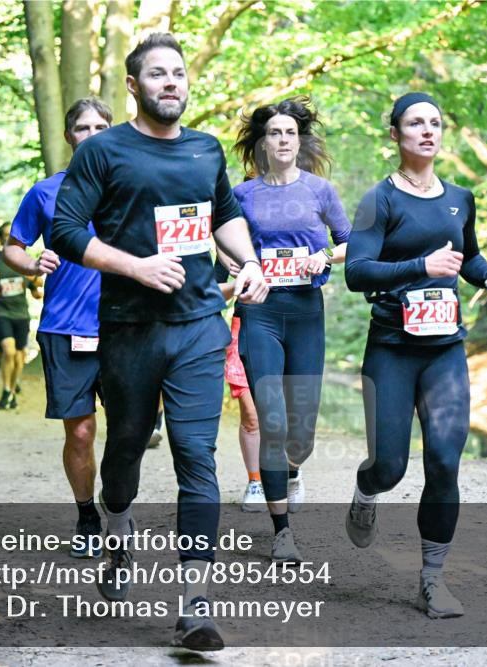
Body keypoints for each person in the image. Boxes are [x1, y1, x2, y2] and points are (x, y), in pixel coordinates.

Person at [51, 33, 268, 651]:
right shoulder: (105, 152)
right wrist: (134, 266)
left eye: (177, 73)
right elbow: (66, 230)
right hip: (127, 330)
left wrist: (247, 262)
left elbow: (223, 213)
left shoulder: (204, 151)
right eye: (157, 74)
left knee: (196, 456)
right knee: (123, 454)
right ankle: (116, 532)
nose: (171, 82)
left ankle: (194, 604)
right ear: (133, 86)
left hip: (200, 324)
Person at [344, 92, 487, 619]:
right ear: (394, 135)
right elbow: (356, 272)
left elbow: (466, 253)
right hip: (393, 348)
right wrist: (421, 265)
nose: (427, 130)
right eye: (414, 123)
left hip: (445, 349)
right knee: (391, 466)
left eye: (435, 123)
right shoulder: (380, 199)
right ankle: (365, 489)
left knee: (444, 461)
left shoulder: (460, 197)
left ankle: (432, 580)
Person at [231, 97, 350, 561]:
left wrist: (324, 256)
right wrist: (245, 267)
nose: (282, 140)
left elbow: (350, 242)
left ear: (299, 141)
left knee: (300, 433)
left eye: (290, 133)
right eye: (274, 133)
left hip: (305, 312)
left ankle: (292, 470)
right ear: (262, 143)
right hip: (260, 312)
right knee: (272, 422)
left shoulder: (319, 191)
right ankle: (282, 531)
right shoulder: (243, 195)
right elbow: (222, 244)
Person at [4, 97, 112, 559]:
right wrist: (31, 264)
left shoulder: (132, 186)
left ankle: (120, 508)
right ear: (70, 136)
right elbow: (12, 247)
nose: (90, 135)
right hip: (65, 326)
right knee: (81, 433)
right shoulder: (45, 191)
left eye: (100, 127)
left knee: (132, 429)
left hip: (124, 327)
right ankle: (88, 514)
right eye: (82, 128)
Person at [214, 255, 264, 513]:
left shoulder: (295, 231)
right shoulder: (234, 243)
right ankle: (255, 481)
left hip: (294, 328)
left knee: (283, 415)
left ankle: (290, 472)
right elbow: (209, 291)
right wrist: (236, 283)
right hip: (245, 326)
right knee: (252, 416)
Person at [0, 221, 41, 410]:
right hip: (1, 312)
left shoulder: (25, 260)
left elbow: (35, 289)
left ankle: (11, 391)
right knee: (9, 351)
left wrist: (39, 289)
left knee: (20, 357)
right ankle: (5, 389)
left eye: (10, 234)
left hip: (21, 314)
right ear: (0, 238)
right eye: (4, 235)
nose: (7, 238)